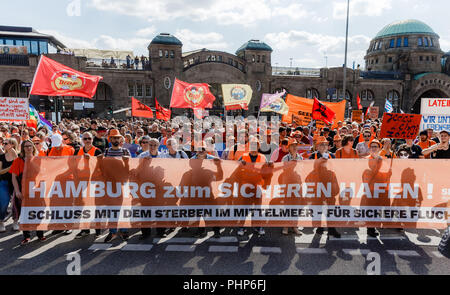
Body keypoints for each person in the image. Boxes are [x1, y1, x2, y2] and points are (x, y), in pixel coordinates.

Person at [10, 140, 46, 245]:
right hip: (23, 191)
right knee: (25, 213)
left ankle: (40, 234)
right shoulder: (18, 161)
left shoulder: (39, 159)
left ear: (33, 147)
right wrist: (17, 191)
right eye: (26, 146)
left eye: (30, 146)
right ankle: (26, 236)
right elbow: (14, 177)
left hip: (37, 190)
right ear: (22, 148)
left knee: (39, 212)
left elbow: (44, 174)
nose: (28, 148)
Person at [103, 129, 131, 243]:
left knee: (123, 208)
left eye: (117, 138)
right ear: (110, 139)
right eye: (113, 138)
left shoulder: (125, 152)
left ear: (120, 139)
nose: (115, 140)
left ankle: (124, 230)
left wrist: (127, 162)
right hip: (110, 185)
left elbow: (130, 170)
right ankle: (113, 231)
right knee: (112, 209)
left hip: (122, 184)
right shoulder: (106, 152)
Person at [309, 136, 340, 238]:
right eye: (321, 144)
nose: (324, 146)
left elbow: (336, 169)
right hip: (317, 185)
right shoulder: (313, 156)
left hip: (329, 184)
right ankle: (319, 227)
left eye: (325, 144)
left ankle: (331, 228)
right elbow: (308, 169)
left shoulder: (332, 156)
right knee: (317, 207)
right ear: (317, 146)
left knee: (330, 208)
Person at [74, 132, 103, 239]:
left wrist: (90, 159)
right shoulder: (78, 151)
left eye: (89, 138)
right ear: (82, 140)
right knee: (83, 207)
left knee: (95, 206)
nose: (87, 140)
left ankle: (98, 230)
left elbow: (101, 166)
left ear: (92, 140)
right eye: (85, 138)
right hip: (82, 182)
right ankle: (85, 229)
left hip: (94, 182)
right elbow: (73, 165)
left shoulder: (97, 151)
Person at [237, 137, 267, 237]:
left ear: (258, 146)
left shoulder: (263, 157)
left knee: (258, 208)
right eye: (252, 144)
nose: (254, 146)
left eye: (256, 144)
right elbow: (236, 169)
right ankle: (242, 227)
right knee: (244, 208)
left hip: (258, 186)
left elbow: (267, 171)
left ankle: (258, 226)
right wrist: (240, 165)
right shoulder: (243, 157)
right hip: (246, 186)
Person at [281, 138, 302, 235]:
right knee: (287, 206)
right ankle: (285, 226)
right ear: (288, 148)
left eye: (295, 145)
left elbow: (302, 171)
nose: (294, 147)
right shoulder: (285, 158)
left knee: (296, 206)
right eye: (292, 146)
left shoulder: (301, 158)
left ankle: (295, 226)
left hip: (297, 184)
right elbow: (283, 170)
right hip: (288, 184)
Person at [0, 138, 18, 232]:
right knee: (4, 202)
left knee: (16, 202)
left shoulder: (18, 156)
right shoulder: (2, 157)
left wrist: (15, 155)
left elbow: (19, 168)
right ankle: (1, 221)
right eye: (3, 143)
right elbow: (0, 171)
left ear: (13, 145)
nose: (4, 144)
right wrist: (10, 168)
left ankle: (15, 221)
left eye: (6, 143)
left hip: (15, 182)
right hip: (4, 181)